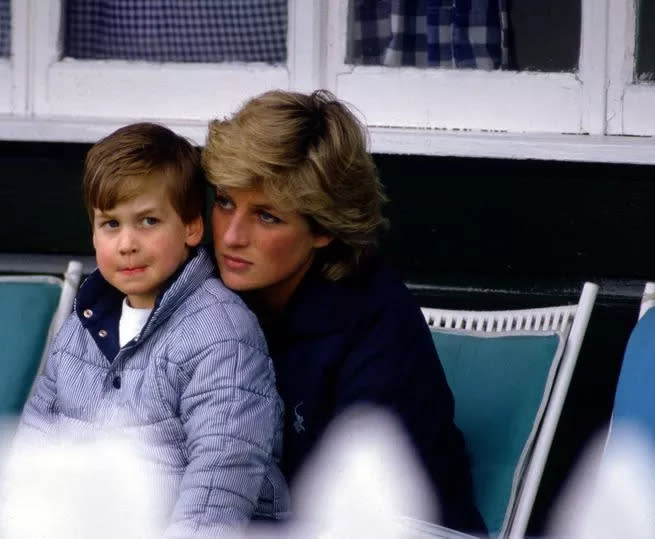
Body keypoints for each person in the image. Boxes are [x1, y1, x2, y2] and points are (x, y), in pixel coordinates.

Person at [202, 90, 485, 533]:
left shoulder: (378, 327)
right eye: (224, 202)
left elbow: (359, 507)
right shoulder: (204, 291)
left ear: (323, 230)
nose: (232, 236)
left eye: (267, 217)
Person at [10, 122, 288, 536]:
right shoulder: (84, 323)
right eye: (111, 225)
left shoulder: (221, 331)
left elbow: (220, 476)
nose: (126, 244)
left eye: (148, 221)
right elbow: (33, 445)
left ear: (192, 227)